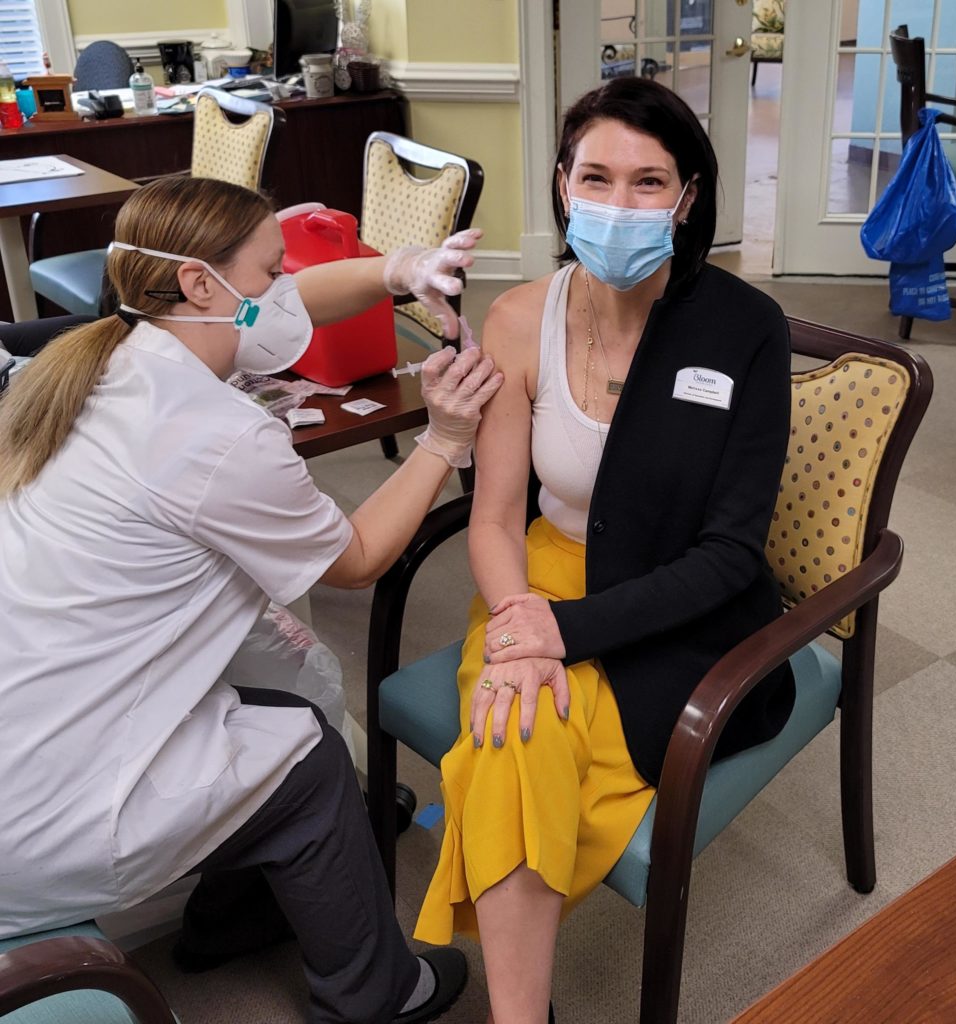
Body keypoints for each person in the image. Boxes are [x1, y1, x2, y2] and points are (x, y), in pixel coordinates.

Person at [0, 174, 503, 1024]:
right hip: (52, 813)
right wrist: (444, 439)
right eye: (268, 272)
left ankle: (228, 920)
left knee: (266, 709)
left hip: (29, 735)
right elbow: (357, 560)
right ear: (201, 283)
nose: (283, 286)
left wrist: (397, 270)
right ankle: (375, 995)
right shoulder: (215, 433)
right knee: (307, 756)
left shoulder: (101, 358)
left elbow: (290, 298)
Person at [413, 77, 797, 1023]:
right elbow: (497, 518)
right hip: (536, 579)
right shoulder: (517, 320)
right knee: (517, 725)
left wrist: (564, 634)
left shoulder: (744, 329)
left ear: (688, 198)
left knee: (510, 736)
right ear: (561, 185)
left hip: (678, 605)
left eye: (648, 183)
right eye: (596, 177)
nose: (618, 205)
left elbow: (730, 556)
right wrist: (520, 623)